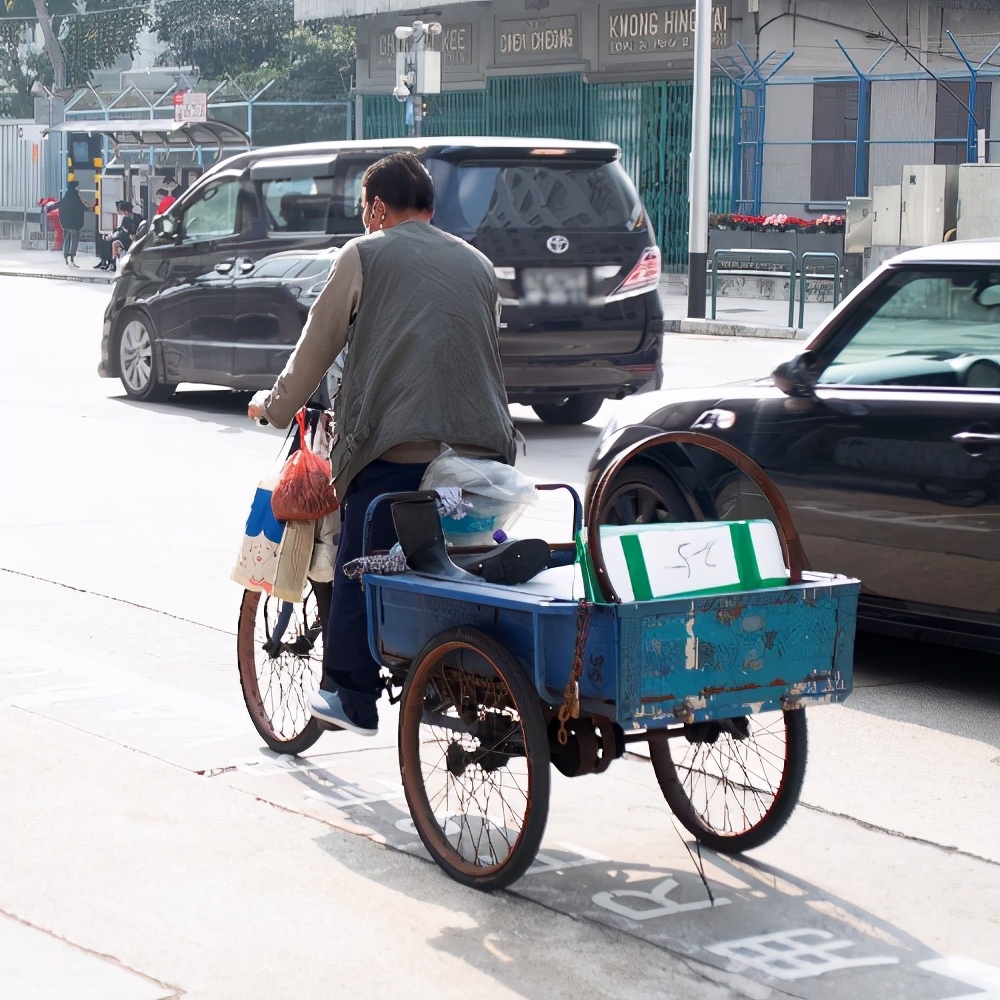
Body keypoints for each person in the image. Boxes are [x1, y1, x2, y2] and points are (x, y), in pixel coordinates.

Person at [247, 152, 515, 737]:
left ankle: (352, 696)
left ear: (375, 208)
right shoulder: (477, 263)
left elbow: (315, 349)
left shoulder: (363, 253)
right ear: (431, 209)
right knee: (449, 561)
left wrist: (273, 407)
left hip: (401, 453)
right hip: (481, 461)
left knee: (356, 558)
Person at [56, 180, 87, 267]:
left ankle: (66, 256)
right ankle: (72, 257)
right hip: (74, 224)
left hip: (65, 224)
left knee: (67, 239)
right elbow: (81, 207)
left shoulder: (66, 196)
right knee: (74, 241)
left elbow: (59, 204)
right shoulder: (75, 196)